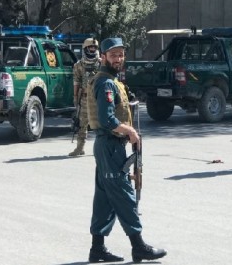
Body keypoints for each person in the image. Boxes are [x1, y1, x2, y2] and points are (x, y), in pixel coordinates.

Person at [86, 38, 167, 263]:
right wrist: (130, 131)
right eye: (113, 55)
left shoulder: (110, 80)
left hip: (108, 146)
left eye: (121, 54)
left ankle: (97, 249)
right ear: (103, 57)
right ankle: (138, 246)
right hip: (110, 145)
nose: (118, 59)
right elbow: (107, 119)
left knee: (104, 198)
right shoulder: (106, 83)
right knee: (124, 194)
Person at [69, 38, 101, 156]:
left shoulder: (101, 63)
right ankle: (80, 148)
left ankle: (101, 148)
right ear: (85, 49)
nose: (93, 50)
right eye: (90, 48)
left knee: (100, 124)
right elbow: (76, 82)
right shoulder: (79, 65)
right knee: (82, 124)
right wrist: (75, 97)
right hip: (84, 98)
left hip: (98, 98)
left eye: (94, 48)